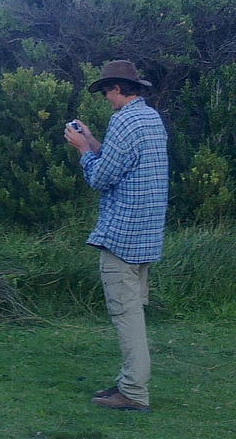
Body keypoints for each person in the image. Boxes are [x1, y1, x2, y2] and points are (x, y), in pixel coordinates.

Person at [64, 60, 168, 413]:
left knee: (126, 314)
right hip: (145, 234)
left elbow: (101, 178)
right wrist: (92, 138)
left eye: (106, 90)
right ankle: (129, 382)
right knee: (132, 310)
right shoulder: (150, 118)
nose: (106, 97)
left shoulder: (124, 120)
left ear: (118, 89)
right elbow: (117, 161)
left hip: (122, 235)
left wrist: (81, 150)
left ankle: (134, 391)